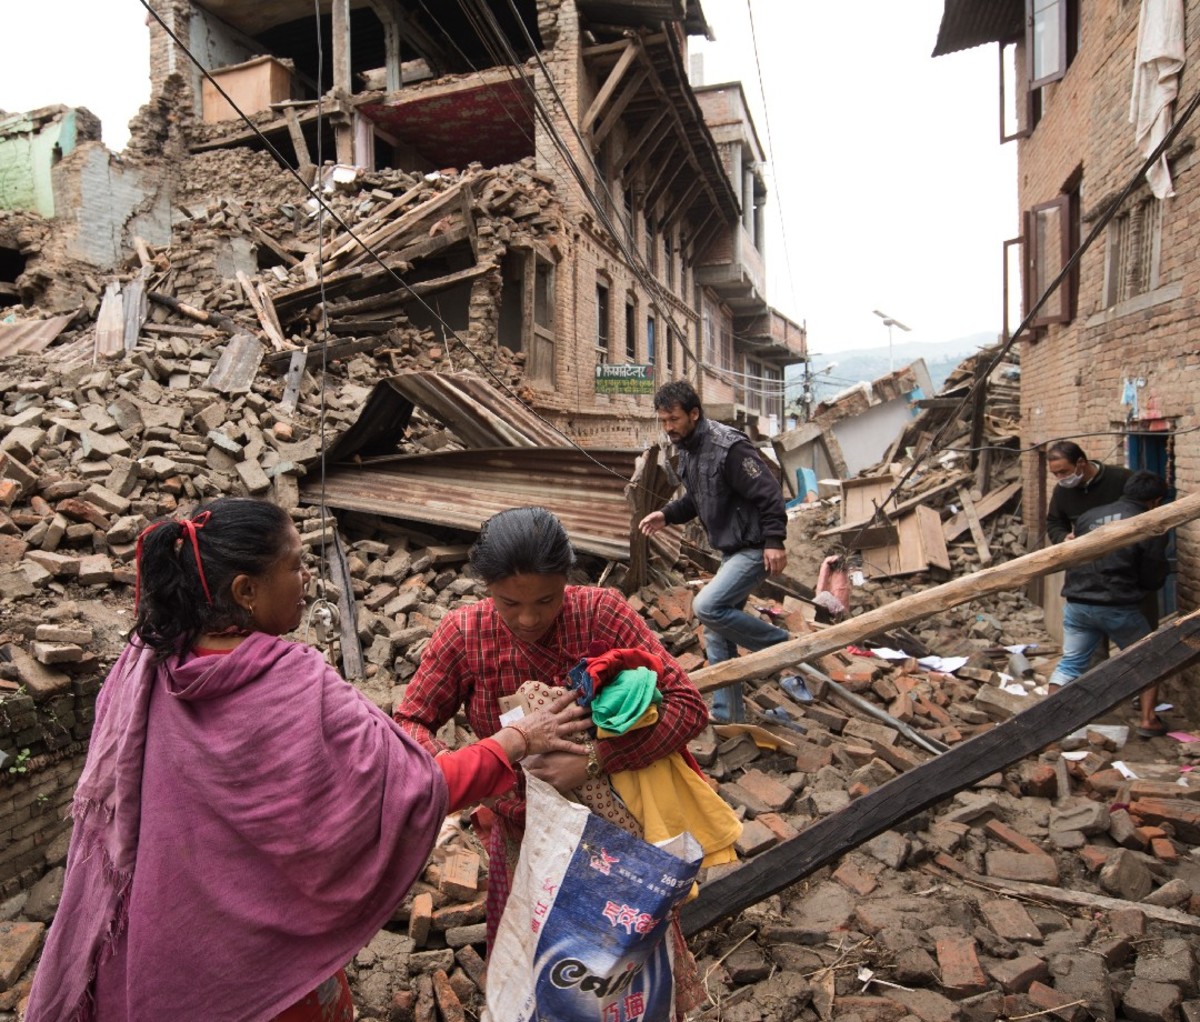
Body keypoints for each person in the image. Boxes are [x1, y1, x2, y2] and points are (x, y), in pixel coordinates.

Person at [25, 497, 589, 1022]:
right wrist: (516, 742)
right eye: (295, 566)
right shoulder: (292, 683)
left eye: (545, 600)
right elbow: (409, 785)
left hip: (156, 944)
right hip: (259, 970)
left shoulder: (144, 666)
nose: (308, 578)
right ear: (246, 590)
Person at [392, 507, 709, 968]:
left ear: (566, 579)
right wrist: (484, 767)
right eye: (508, 603)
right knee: (536, 967)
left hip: (616, 827)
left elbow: (687, 705)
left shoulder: (600, 613)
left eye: (546, 600)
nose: (526, 619)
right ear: (486, 589)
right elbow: (408, 725)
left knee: (625, 967)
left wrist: (596, 759)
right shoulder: (464, 634)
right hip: (523, 831)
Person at [638, 380, 790, 723]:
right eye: (663, 421)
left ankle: (784, 646)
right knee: (717, 635)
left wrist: (775, 540)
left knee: (707, 606)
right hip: (730, 550)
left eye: (673, 419)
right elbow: (696, 499)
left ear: (694, 413)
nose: (668, 428)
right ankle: (729, 715)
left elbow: (769, 493)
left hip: (753, 547)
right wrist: (666, 514)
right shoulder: (690, 451)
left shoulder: (729, 447)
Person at [1047, 471, 1171, 736]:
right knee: (1149, 659)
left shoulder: (1088, 517)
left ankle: (1047, 722)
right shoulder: (1150, 523)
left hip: (1077, 602)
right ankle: (1149, 720)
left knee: (1070, 663)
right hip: (1117, 605)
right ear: (1155, 500)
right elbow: (1152, 575)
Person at [1046, 440, 1133, 543]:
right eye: (1055, 474)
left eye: (1063, 472)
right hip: (1086, 552)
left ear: (1081, 462)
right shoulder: (1061, 491)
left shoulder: (1121, 478)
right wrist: (1063, 537)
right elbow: (1054, 522)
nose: (1060, 478)